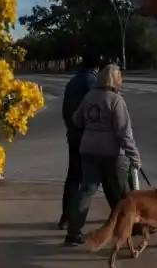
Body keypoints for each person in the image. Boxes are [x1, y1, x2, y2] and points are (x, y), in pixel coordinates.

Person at [65, 64, 142, 246]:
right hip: (112, 154)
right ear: (116, 79)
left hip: (88, 150)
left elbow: (76, 120)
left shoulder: (88, 97)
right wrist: (135, 157)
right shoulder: (116, 100)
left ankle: (73, 232)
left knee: (86, 190)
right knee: (123, 193)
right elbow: (124, 134)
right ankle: (129, 228)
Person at [58, 53, 101, 231]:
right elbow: (96, 109)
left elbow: (65, 110)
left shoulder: (72, 81)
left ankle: (65, 218)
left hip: (73, 134)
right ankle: (76, 224)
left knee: (73, 177)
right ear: (96, 67)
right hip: (87, 136)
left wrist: (71, 128)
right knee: (95, 179)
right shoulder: (92, 82)